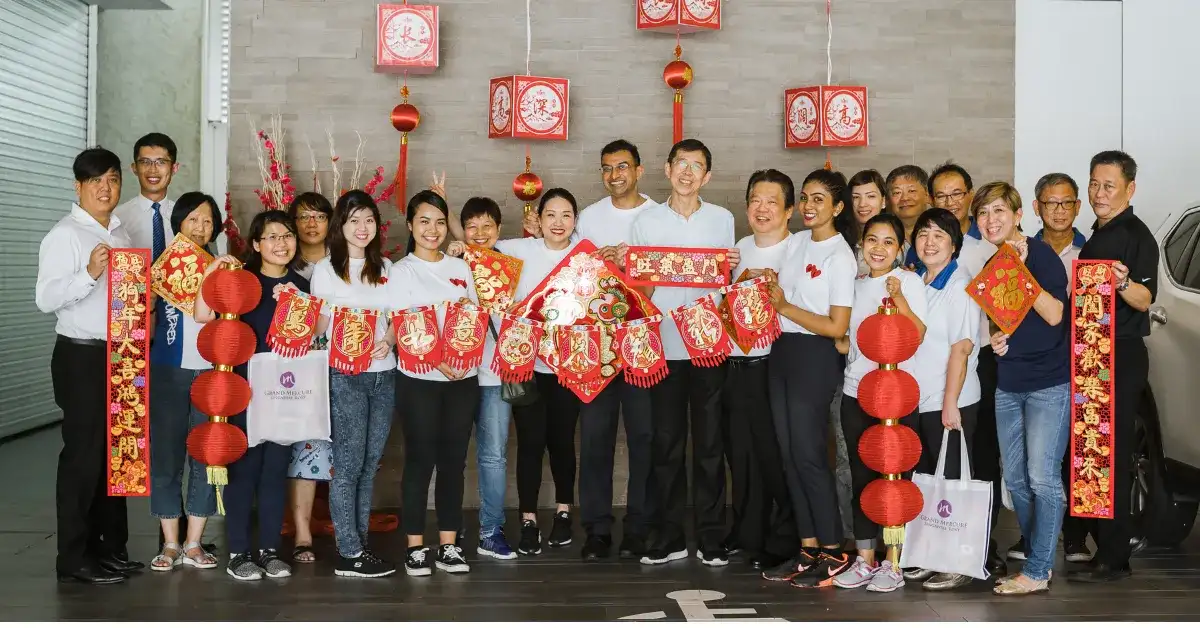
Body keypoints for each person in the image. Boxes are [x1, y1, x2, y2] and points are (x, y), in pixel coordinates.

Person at [630, 139, 738, 567]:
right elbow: (640, 289)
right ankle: (668, 536)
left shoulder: (723, 220)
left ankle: (712, 536)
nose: (688, 172)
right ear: (667, 168)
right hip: (666, 345)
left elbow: (725, 283)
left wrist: (731, 263)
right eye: (681, 164)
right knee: (666, 443)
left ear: (707, 176)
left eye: (697, 166)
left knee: (711, 444)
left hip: (710, 346)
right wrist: (643, 276)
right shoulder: (647, 220)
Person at [37, 147, 141, 584]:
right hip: (81, 354)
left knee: (118, 455)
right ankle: (73, 557)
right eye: (96, 180)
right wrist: (90, 273)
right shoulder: (64, 235)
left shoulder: (121, 235)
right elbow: (45, 299)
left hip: (122, 352)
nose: (105, 187)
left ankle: (109, 548)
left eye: (113, 179)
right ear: (78, 186)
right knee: (83, 456)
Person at [971, 182, 1070, 596]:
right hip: (1009, 382)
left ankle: (1039, 567)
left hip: (1048, 384)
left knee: (1042, 477)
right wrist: (997, 338)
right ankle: (1036, 554)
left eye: (999, 211)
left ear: (1017, 215)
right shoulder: (995, 261)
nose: (991, 220)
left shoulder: (1041, 253)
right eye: (983, 214)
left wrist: (1022, 271)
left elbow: (1054, 315)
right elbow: (1006, 321)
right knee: (1016, 479)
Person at [196, 210, 306, 581]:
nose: (281, 243)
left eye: (287, 235)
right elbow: (201, 315)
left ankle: (270, 550)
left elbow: (314, 337)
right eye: (271, 237)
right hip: (241, 392)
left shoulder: (301, 286)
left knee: (276, 472)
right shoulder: (239, 280)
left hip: (284, 393)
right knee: (243, 471)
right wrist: (213, 273)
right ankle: (239, 552)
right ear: (256, 245)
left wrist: (298, 305)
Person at [761, 169, 858, 587]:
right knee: (788, 454)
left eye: (819, 199)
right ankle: (808, 548)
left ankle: (835, 551)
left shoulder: (842, 255)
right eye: (805, 197)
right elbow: (781, 290)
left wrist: (783, 306)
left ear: (837, 207)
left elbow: (838, 327)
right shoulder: (796, 243)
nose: (809, 206)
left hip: (816, 357)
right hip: (782, 351)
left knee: (809, 455)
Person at [1068, 151, 1157, 584]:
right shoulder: (1098, 234)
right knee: (1091, 456)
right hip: (1091, 355)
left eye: (1109, 186)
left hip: (1118, 355)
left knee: (1113, 456)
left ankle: (1115, 556)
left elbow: (1145, 299)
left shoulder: (1137, 236)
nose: (1099, 193)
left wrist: (1122, 283)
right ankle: (1100, 547)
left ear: (1129, 189)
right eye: (1094, 184)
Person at [831, 213, 928, 593]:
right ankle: (865, 558)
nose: (879, 248)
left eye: (889, 242)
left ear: (900, 249)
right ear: (862, 245)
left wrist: (898, 296)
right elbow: (848, 342)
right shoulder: (854, 286)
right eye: (872, 240)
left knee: (894, 482)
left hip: (896, 397)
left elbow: (917, 333)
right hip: (856, 391)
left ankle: (894, 562)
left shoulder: (907, 281)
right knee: (860, 478)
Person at [575, 140, 657, 561]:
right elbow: (572, 279)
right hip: (597, 343)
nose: (614, 175)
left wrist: (630, 264)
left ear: (639, 171)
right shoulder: (589, 218)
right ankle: (597, 529)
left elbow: (662, 274)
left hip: (642, 342)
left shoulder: (656, 216)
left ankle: (640, 528)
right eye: (607, 168)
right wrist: (596, 265)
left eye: (623, 166)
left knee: (644, 436)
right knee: (595, 437)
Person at [390, 190, 479, 577]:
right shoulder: (402, 270)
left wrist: (462, 360)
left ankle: (448, 544)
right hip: (419, 379)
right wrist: (439, 360)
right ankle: (414, 546)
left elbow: (475, 315)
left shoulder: (462, 267)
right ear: (410, 225)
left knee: (454, 463)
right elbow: (403, 322)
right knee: (420, 460)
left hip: (464, 378)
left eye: (439, 222)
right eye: (424, 221)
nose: (432, 229)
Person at [308, 191, 398, 578]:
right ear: (340, 227)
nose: (362, 228)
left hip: (385, 374)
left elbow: (399, 318)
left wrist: (389, 340)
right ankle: (349, 551)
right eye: (353, 221)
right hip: (345, 374)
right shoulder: (326, 270)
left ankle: (359, 543)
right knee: (346, 465)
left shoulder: (388, 267)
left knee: (368, 464)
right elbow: (317, 331)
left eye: (368, 220)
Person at [493, 189, 585, 556]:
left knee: (562, 442)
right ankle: (528, 519)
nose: (559, 222)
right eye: (551, 215)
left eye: (566, 215)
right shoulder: (519, 250)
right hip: (526, 367)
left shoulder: (585, 254)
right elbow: (479, 252)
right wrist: (454, 241)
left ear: (574, 220)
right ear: (539, 219)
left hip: (570, 367)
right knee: (530, 445)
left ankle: (564, 513)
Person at [1009, 172, 1089, 564]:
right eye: (1051, 203)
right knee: (1032, 464)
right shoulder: (1023, 250)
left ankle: (1074, 537)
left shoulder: (1091, 254)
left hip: (1082, 363)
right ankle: (1034, 539)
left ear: (1078, 206)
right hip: (1036, 366)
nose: (1059, 210)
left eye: (1067, 202)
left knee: (1078, 453)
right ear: (1036, 207)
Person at [904, 208, 985, 591]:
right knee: (928, 482)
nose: (930, 242)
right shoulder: (917, 280)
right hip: (921, 399)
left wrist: (950, 402)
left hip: (950, 400)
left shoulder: (960, 285)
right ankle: (932, 555)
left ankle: (958, 562)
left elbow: (962, 349)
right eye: (923, 234)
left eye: (939, 235)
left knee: (952, 482)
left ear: (954, 244)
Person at [722, 169, 798, 571]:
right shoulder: (739, 248)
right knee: (742, 453)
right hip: (736, 364)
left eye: (772, 201)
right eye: (755, 200)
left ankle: (785, 535)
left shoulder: (799, 250)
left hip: (776, 363)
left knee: (775, 453)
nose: (762, 208)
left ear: (789, 210)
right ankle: (748, 531)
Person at [147, 192, 224, 572]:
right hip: (166, 370)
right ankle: (171, 543)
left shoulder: (226, 269)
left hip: (212, 373)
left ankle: (195, 542)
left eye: (207, 221)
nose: (199, 227)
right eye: (192, 219)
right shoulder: (163, 268)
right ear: (178, 222)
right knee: (165, 457)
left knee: (206, 456)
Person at [445, 196, 519, 561]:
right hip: (457, 374)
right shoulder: (450, 264)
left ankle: (491, 530)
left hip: (495, 376)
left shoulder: (508, 264)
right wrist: (446, 208)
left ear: (499, 230)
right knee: (453, 456)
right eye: (471, 226)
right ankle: (450, 531)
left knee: (493, 457)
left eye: (487, 225)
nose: (479, 233)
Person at [283, 192, 333, 565]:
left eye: (319, 216)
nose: (311, 223)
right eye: (303, 217)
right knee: (300, 444)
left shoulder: (343, 264)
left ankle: (341, 521)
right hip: (292, 371)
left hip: (338, 367)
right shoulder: (283, 266)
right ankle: (301, 532)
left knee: (326, 444)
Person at [114, 133, 178, 258]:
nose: (152, 169)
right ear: (134, 168)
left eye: (161, 162)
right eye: (145, 162)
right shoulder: (117, 219)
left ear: (174, 168)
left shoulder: (186, 218)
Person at [885, 165, 931, 263]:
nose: (905, 198)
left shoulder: (942, 234)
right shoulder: (882, 236)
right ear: (888, 200)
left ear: (927, 195)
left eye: (911, 191)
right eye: (897, 192)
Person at [928, 162, 979, 240]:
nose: (949, 203)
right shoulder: (924, 242)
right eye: (941, 196)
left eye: (956, 194)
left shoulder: (990, 234)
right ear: (932, 201)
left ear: (971, 194)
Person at [849, 169, 886, 276]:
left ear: (883, 201)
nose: (862, 204)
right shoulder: (840, 238)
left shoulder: (896, 238)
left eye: (871, 196)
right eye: (856, 197)